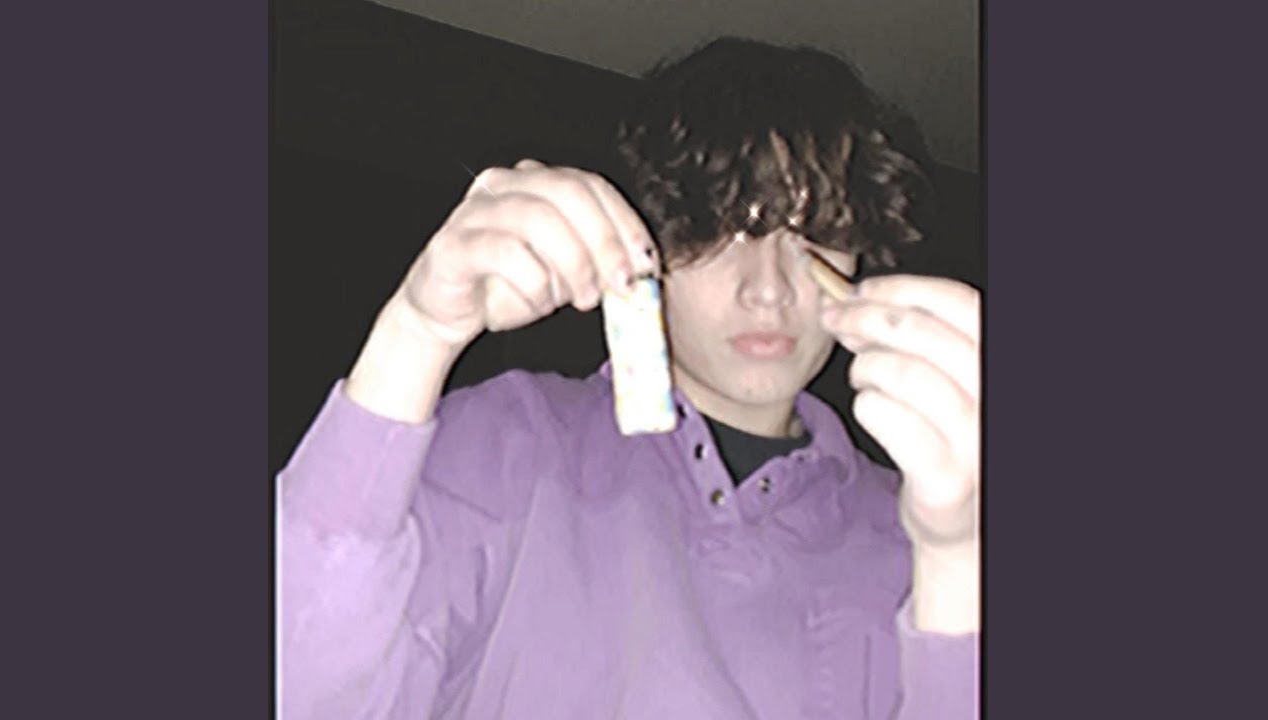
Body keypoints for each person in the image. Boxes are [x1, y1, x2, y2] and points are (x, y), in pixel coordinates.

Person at [279, 37, 979, 719]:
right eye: (726, 226)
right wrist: (417, 331)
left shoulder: (913, 534)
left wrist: (957, 555)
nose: (767, 289)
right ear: (652, 237)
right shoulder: (508, 441)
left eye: (814, 231)